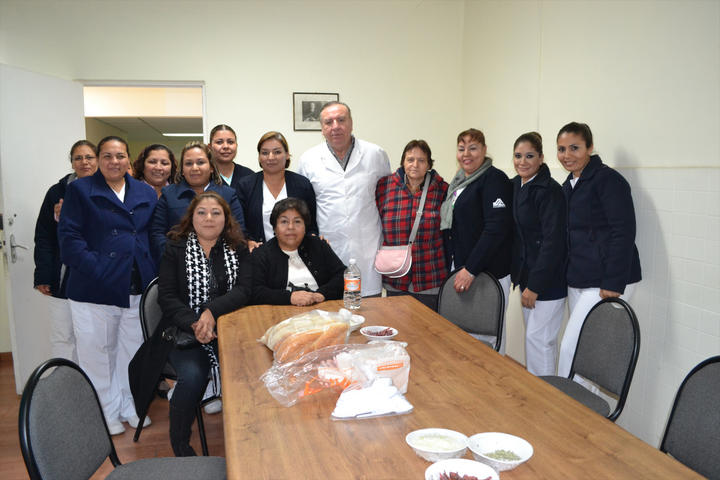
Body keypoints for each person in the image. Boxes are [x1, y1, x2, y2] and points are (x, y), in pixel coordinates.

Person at [58, 135, 157, 435]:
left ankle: (129, 405)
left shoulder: (144, 191)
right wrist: (98, 268)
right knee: (98, 353)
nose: (114, 162)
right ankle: (105, 411)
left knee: (132, 351)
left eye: (120, 156)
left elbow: (152, 235)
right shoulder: (80, 190)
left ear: (129, 158)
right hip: (95, 286)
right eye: (107, 156)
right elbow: (70, 239)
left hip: (135, 284)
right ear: (99, 159)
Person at [153, 192, 251, 456]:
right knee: (193, 377)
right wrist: (196, 323)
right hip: (184, 331)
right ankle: (181, 447)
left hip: (229, 329)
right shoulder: (175, 248)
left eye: (216, 213)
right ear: (191, 217)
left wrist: (211, 312)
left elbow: (244, 290)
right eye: (202, 212)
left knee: (253, 368)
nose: (209, 218)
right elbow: (167, 297)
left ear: (226, 218)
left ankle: (250, 439)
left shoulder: (238, 247)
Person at [556, 122, 641, 378]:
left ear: (590, 147)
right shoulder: (569, 185)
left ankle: (562, 402)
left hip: (606, 280)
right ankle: (581, 403)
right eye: (561, 149)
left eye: (574, 148)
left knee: (571, 349)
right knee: (587, 354)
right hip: (579, 277)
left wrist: (613, 281)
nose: (567, 155)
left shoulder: (608, 180)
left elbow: (623, 232)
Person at [297, 101, 390, 296]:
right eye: (328, 122)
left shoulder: (375, 154)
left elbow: (387, 198)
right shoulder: (308, 160)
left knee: (371, 307)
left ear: (351, 123)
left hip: (368, 247)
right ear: (322, 128)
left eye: (341, 120)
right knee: (332, 308)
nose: (335, 126)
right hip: (330, 247)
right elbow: (304, 207)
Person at [440, 128, 513, 352]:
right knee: (463, 337)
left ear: (484, 150)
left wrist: (471, 269)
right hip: (463, 268)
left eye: (473, 148)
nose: (466, 154)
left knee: (487, 338)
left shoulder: (494, 179)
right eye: (461, 149)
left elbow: (496, 228)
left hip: (486, 273)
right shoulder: (460, 181)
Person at [33, 139, 97, 362]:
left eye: (89, 157)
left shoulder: (109, 190)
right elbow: (44, 236)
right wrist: (43, 274)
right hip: (63, 278)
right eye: (78, 158)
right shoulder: (56, 192)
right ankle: (65, 380)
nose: (84, 162)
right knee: (62, 337)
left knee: (92, 338)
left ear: (98, 160)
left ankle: (90, 382)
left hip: (97, 278)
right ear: (71, 163)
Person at [510, 132, 567, 376]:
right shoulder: (517, 185)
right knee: (536, 340)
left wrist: (535, 286)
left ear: (541, 158)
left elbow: (553, 242)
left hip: (548, 281)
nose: (522, 162)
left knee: (539, 340)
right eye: (518, 156)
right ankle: (540, 389)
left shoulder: (550, 191)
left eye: (529, 156)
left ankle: (544, 395)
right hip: (527, 276)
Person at [375, 140, 448, 310]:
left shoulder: (442, 190)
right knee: (396, 324)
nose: (415, 165)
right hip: (396, 278)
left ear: (429, 164)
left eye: (421, 160)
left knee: (427, 325)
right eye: (410, 159)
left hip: (429, 277)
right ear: (403, 162)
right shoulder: (384, 186)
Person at [151, 141, 245, 262]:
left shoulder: (228, 194)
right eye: (188, 163)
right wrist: (174, 257)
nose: (195, 168)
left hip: (220, 263)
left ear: (211, 167)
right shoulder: (168, 195)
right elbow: (157, 233)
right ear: (182, 170)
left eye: (200, 162)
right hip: (177, 263)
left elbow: (238, 231)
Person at [250, 197, 345, 306]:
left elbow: (343, 275)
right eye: (284, 221)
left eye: (297, 221)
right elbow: (255, 291)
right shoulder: (261, 254)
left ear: (305, 227)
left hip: (323, 310)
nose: (291, 227)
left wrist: (322, 294)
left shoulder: (318, 245)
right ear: (275, 227)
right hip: (280, 313)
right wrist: (289, 297)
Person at [236, 131, 317, 251]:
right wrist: (247, 241)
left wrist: (314, 240)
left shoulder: (302, 184)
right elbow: (238, 225)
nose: (271, 157)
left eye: (277, 152)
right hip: (259, 254)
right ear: (259, 157)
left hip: (297, 253)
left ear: (287, 155)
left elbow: (311, 226)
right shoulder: (246, 186)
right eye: (265, 153)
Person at [208, 124, 253, 194]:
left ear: (236, 146)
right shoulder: (204, 176)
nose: (226, 146)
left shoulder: (249, 176)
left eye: (230, 142)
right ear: (209, 147)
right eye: (219, 142)